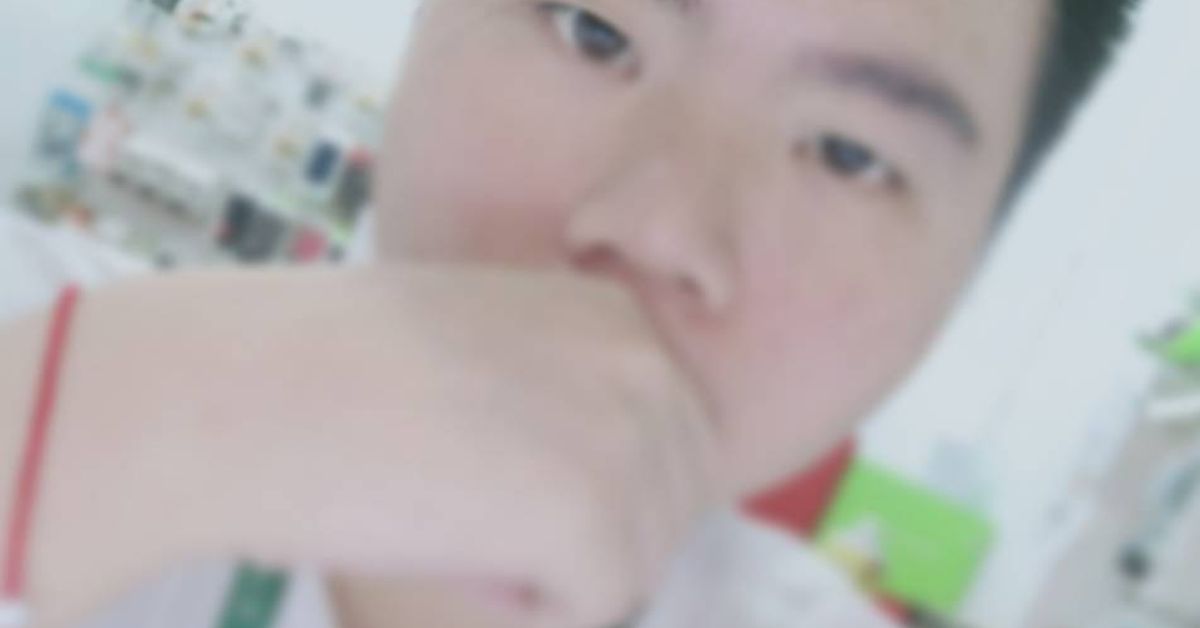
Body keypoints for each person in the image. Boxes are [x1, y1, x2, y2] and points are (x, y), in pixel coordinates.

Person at [0, 0, 1141, 626]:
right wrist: (104, 426)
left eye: (847, 153)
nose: (659, 228)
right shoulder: (40, 323)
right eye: (596, 32)